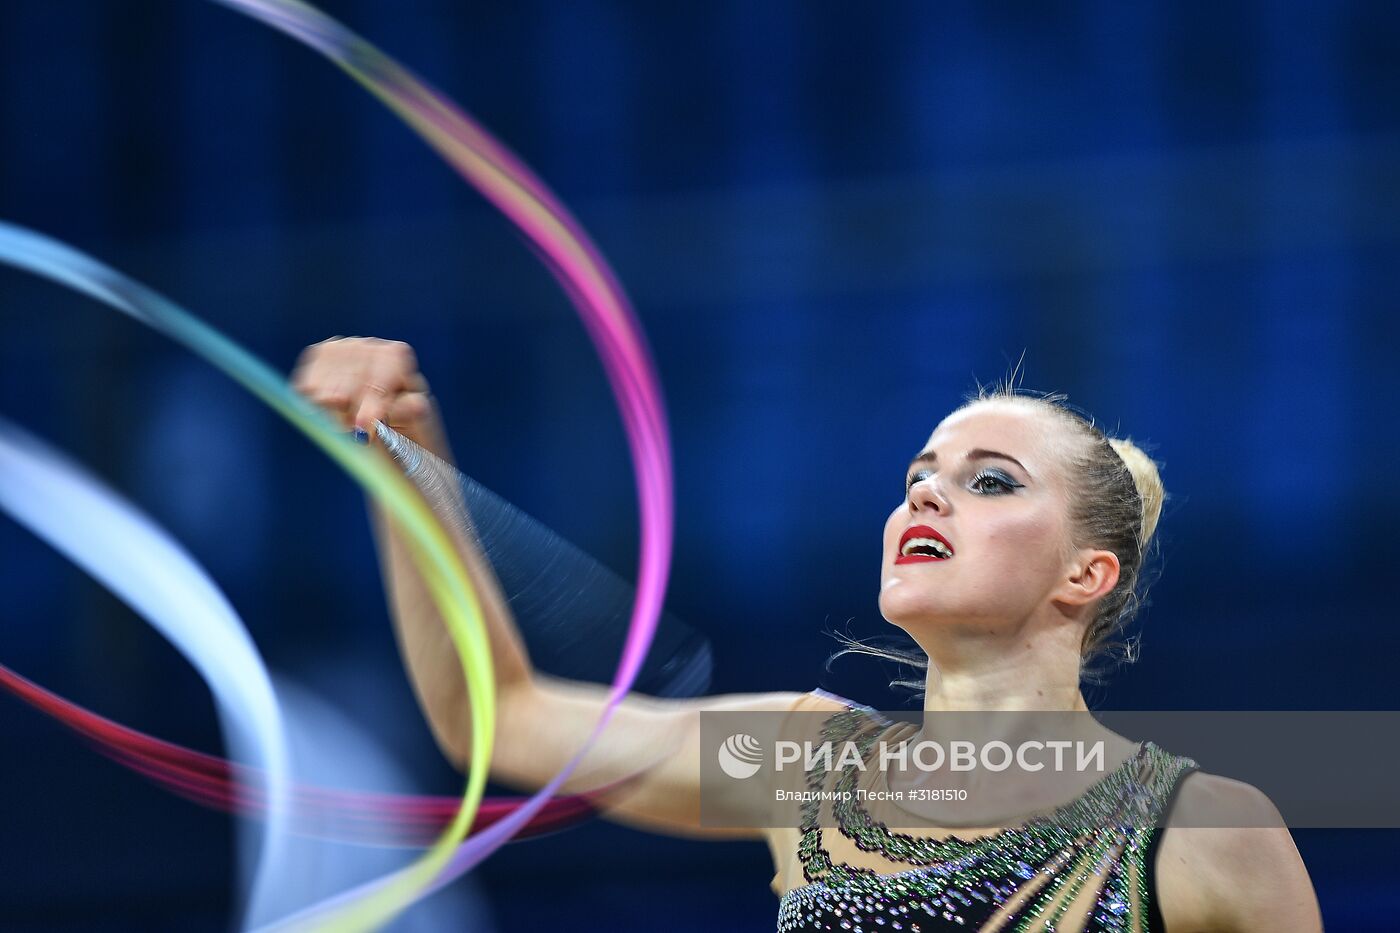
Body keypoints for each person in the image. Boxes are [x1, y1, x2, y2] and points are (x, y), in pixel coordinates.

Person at [292, 336, 1323, 932]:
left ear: (1083, 574)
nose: (927, 498)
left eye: (987, 482)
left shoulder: (1204, 831)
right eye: (916, 479)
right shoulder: (802, 766)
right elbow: (496, 720)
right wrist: (404, 466)